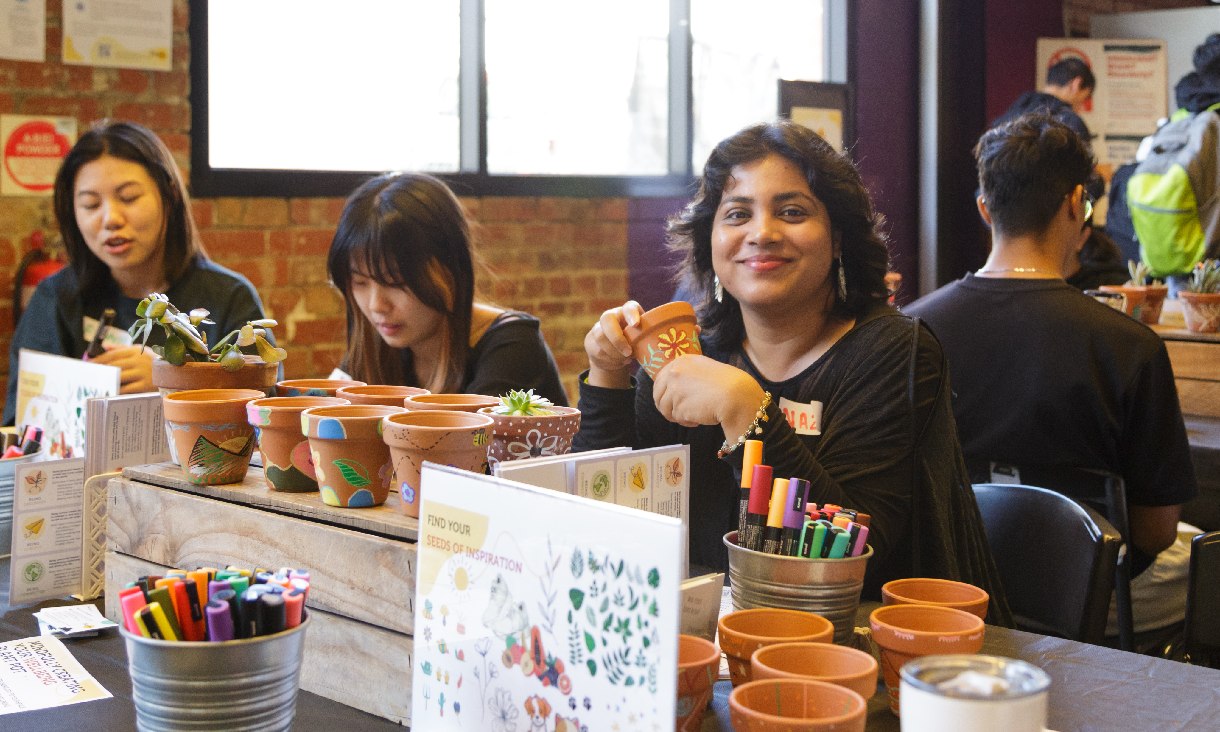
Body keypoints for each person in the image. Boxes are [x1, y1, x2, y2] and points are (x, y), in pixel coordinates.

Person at [573, 120, 1010, 619]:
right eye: (737, 213)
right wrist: (607, 377)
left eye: (793, 212)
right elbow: (606, 521)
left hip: (870, 653)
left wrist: (747, 412)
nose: (762, 233)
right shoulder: (687, 353)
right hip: (710, 643)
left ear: (838, 238)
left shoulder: (894, 351)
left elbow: (851, 559)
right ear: (710, 243)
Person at [906, 113, 1198, 635]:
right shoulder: (1131, 346)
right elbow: (1155, 532)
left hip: (948, 586)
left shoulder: (911, 330)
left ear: (984, 208)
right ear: (1075, 204)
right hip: (1088, 593)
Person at [3, 120, 268, 425]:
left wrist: (174, 380)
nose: (111, 219)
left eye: (128, 198)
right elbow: (21, 427)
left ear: (168, 196)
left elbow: (265, 415)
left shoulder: (229, 297)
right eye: (90, 204)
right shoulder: (56, 299)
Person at [326, 172, 567, 405]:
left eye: (396, 282)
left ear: (450, 269)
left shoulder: (512, 347)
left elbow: (466, 441)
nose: (376, 305)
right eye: (360, 282)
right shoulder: (381, 348)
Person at [991, 57, 1095, 144]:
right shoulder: (1070, 123)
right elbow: (1080, 167)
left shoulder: (1012, 113)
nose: (1081, 105)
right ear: (1076, 84)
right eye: (1085, 97)